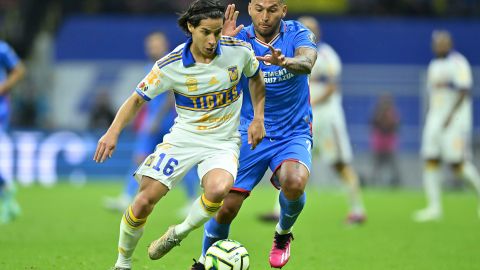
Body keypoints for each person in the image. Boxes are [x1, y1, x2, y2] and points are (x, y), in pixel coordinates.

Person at [93, 1, 266, 269]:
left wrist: (258, 117)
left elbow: (255, 78)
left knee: (219, 189)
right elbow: (136, 99)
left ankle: (179, 232)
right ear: (190, 27)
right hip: (183, 139)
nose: (213, 40)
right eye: (206, 32)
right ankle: (122, 263)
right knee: (143, 202)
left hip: (222, 142)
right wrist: (112, 132)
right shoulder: (170, 65)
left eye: (218, 32)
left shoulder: (238, 52)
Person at [192, 2, 317, 269]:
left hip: (292, 131)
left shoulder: (298, 33)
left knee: (294, 182)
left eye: (272, 9)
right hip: (249, 130)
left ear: (283, 10)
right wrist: (220, 45)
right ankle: (206, 260)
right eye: (259, 8)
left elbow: (307, 62)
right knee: (225, 207)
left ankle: (283, 234)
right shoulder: (237, 37)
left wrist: (285, 61)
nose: (265, 16)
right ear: (249, 8)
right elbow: (206, 76)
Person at [103, 32, 199, 216]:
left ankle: (192, 200)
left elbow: (172, 96)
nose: (151, 48)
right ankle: (126, 197)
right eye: (150, 45)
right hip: (151, 122)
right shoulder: (150, 66)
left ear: (163, 45)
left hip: (168, 123)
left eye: (155, 45)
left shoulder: (171, 64)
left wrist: (155, 120)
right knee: (139, 159)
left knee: (182, 161)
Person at [413, 30, 480, 222]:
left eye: (442, 42)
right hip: (435, 120)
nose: (438, 46)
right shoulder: (433, 65)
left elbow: (464, 90)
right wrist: (431, 117)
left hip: (455, 121)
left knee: (457, 164)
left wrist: (450, 116)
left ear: (449, 44)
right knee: (430, 160)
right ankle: (434, 208)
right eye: (436, 43)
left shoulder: (458, 63)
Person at [0, 40, 26, 224]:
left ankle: (7, 190)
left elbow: (19, 70)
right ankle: (7, 191)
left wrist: (2, 88)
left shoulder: (2, 48)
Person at [370, 93, 401, 187]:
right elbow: (373, 124)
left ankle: (396, 182)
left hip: (389, 143)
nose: (385, 104)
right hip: (379, 143)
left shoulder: (393, 113)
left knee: (393, 165)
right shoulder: (376, 112)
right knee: (376, 166)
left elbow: (396, 127)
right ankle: (374, 183)